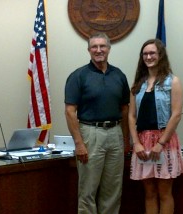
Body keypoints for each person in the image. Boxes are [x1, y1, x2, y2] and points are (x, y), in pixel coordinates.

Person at [64, 32, 130, 214]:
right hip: (90, 134)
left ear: (109, 49)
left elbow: (125, 109)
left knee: (113, 190)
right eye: (94, 47)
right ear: (88, 50)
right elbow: (70, 111)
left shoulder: (119, 75)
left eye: (103, 46)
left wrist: (126, 139)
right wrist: (79, 144)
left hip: (115, 133)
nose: (99, 50)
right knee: (88, 191)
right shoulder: (78, 76)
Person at [129, 39, 183, 214]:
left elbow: (176, 115)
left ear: (160, 55)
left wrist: (160, 143)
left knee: (164, 193)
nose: (148, 57)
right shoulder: (139, 85)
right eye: (145, 54)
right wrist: (136, 143)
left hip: (164, 141)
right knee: (150, 193)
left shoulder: (173, 81)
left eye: (152, 53)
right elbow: (131, 116)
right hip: (142, 142)